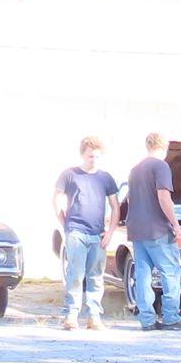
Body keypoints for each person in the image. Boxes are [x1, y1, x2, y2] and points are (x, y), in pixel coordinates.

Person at [54, 136, 121, 330]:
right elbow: (56, 199)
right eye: (91, 156)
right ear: (83, 154)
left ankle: (94, 316)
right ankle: (71, 315)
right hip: (76, 231)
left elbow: (115, 206)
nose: (94, 159)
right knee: (75, 273)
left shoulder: (105, 178)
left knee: (96, 276)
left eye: (97, 156)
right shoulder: (70, 175)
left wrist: (110, 232)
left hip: (97, 234)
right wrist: (64, 223)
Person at [124, 130, 181, 330]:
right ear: (164, 147)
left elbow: (130, 200)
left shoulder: (134, 170)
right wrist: (176, 225)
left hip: (136, 229)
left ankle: (147, 320)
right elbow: (163, 197)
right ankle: (171, 317)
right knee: (170, 272)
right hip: (157, 230)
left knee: (143, 273)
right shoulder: (161, 166)